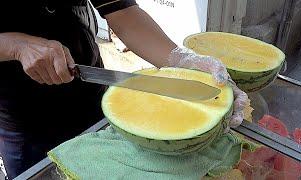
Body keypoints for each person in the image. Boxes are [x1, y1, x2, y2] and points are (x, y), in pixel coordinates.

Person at [0, 0, 248, 179]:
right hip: (25, 121)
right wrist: (15, 45)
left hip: (91, 91)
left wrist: (184, 60)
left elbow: (122, 13)